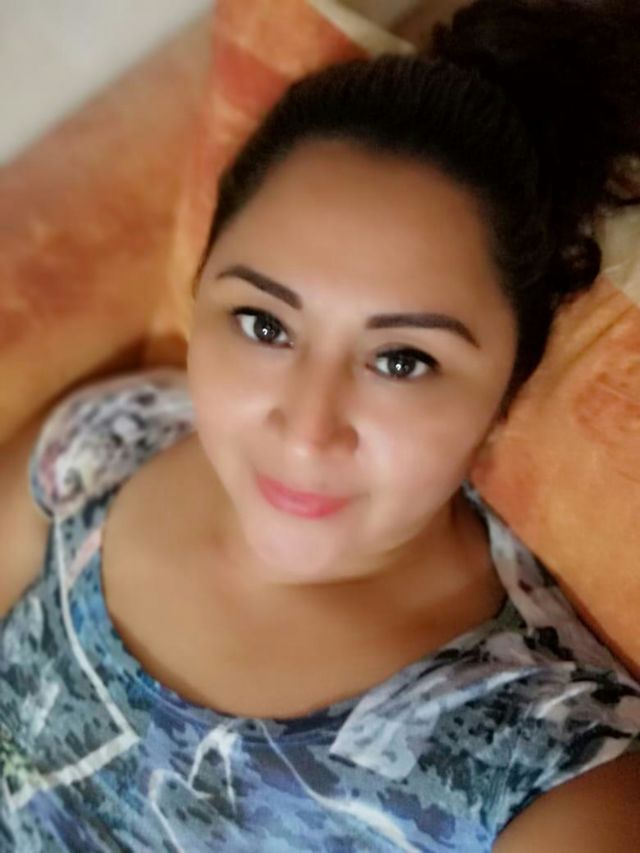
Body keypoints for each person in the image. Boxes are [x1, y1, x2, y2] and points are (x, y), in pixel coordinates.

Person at [2, 0, 640, 849]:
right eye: (264, 324)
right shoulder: (104, 441)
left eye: (402, 360)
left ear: (504, 391)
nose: (306, 431)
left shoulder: (553, 762)